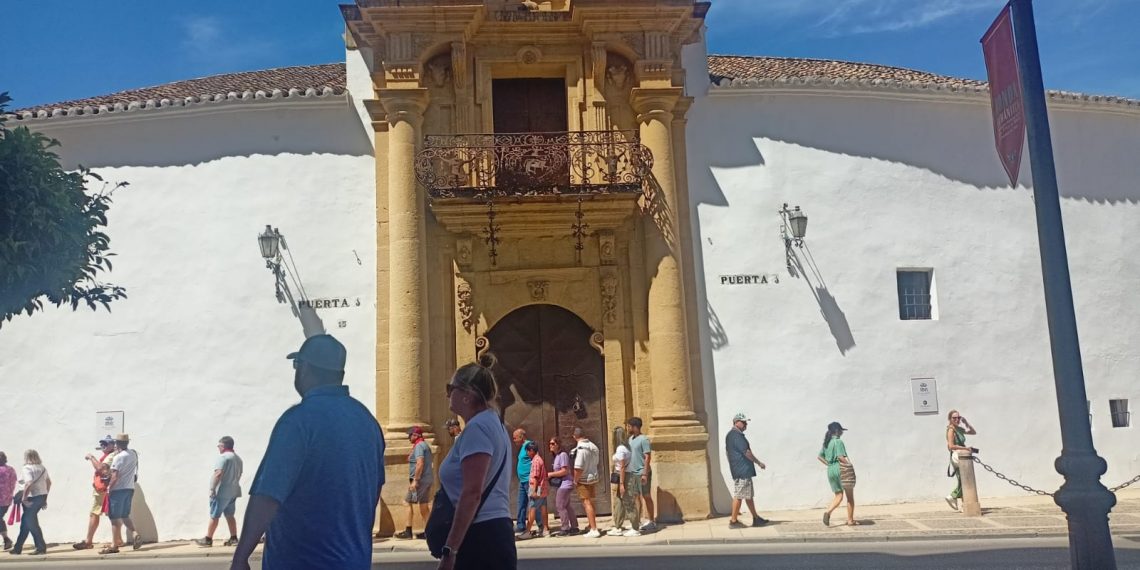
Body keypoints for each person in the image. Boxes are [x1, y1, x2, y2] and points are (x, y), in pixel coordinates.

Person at [229, 334, 385, 570]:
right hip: (354, 561)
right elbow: (373, 492)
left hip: (300, 561)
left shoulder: (298, 421)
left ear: (305, 370)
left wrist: (241, 558)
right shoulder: (367, 422)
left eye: (297, 365)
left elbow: (267, 496)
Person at [435, 354, 516, 569]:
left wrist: (450, 550)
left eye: (450, 388)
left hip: (480, 536)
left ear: (467, 395)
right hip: (494, 532)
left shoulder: (477, 428)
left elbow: (472, 492)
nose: (447, 394)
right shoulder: (493, 423)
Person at [194, 436, 244, 547]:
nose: (218, 447)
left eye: (219, 445)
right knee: (230, 515)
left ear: (224, 446)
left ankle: (208, 539)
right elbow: (240, 474)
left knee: (214, 515)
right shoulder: (238, 459)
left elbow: (218, 473)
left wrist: (212, 489)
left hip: (221, 492)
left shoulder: (223, 457)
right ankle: (234, 538)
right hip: (233, 491)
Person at [725, 413, 768, 528]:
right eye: (743, 422)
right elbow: (747, 452)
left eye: (746, 423)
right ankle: (733, 521)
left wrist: (733, 465)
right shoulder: (736, 436)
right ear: (736, 422)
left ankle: (756, 518)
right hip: (742, 470)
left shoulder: (731, 435)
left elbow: (728, 453)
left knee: (748, 495)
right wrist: (759, 463)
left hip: (740, 469)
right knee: (739, 495)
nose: (745, 425)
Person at [74, 436, 117, 550]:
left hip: (104, 490)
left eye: (106, 444)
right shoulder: (110, 455)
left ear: (112, 445)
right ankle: (118, 540)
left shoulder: (111, 456)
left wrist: (91, 457)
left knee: (95, 513)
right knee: (111, 515)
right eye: (102, 444)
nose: (103, 446)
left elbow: (100, 468)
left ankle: (88, 541)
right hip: (103, 489)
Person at [103, 434, 141, 554]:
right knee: (125, 515)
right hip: (129, 488)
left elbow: (115, 476)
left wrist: (109, 488)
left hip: (118, 490)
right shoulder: (133, 454)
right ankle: (135, 533)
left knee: (114, 518)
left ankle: (114, 545)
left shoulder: (118, 457)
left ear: (117, 443)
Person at [10, 449, 50, 556]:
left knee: (31, 524)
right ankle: (17, 548)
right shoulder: (42, 468)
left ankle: (41, 548)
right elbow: (49, 483)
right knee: (26, 522)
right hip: (41, 497)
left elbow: (29, 483)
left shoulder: (27, 468)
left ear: (26, 457)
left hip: (31, 498)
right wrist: (45, 499)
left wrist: (24, 498)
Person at [396, 426, 433, 540]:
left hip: (419, 480)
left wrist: (415, 480)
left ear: (416, 435)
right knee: (424, 506)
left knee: (406, 502)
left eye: (410, 435)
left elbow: (420, 463)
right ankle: (430, 532)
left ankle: (408, 532)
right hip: (426, 479)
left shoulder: (419, 446)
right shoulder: (425, 445)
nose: (409, 437)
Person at [817, 422, 855, 527]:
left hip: (830, 470)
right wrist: (849, 465)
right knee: (850, 497)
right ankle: (850, 520)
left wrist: (829, 464)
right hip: (840, 469)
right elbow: (840, 457)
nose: (842, 432)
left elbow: (819, 457)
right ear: (837, 431)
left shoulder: (826, 443)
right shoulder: (838, 442)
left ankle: (828, 512)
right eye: (841, 430)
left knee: (838, 495)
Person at [606, 427, 639, 537]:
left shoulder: (620, 448)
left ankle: (635, 528)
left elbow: (622, 467)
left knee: (628, 501)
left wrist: (621, 484)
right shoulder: (627, 447)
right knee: (619, 501)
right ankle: (618, 526)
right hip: (625, 475)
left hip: (624, 477)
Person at [625, 417, 655, 532]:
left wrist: (645, 474)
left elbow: (647, 457)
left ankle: (652, 521)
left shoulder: (644, 439)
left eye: (629, 426)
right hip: (633, 473)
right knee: (636, 497)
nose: (627, 428)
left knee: (646, 496)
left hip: (642, 472)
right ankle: (636, 522)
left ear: (635, 427)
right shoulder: (630, 439)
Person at [945, 410, 977, 512]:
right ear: (950, 419)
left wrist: (966, 423)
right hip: (957, 456)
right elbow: (951, 446)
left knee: (963, 479)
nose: (957, 419)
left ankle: (963, 504)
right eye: (954, 418)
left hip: (963, 455)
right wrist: (966, 448)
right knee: (964, 479)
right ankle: (952, 496)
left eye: (958, 417)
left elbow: (973, 432)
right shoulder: (951, 430)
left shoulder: (959, 429)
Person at [571, 427, 601, 538]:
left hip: (583, 479)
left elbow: (578, 468)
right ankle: (590, 524)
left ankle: (594, 529)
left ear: (574, 436)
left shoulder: (581, 449)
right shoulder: (593, 446)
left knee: (586, 502)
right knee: (591, 502)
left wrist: (575, 480)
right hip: (593, 476)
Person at [546, 438, 578, 536]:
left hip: (565, 484)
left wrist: (551, 474)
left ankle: (565, 528)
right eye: (550, 443)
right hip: (563, 484)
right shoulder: (556, 456)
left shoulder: (563, 455)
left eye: (553, 443)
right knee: (567, 506)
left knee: (560, 506)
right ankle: (574, 527)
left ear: (558, 444)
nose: (550, 445)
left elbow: (565, 471)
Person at [519, 442, 548, 538]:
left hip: (536, 488)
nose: (527, 453)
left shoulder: (535, 461)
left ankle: (527, 531)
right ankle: (545, 529)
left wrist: (534, 491)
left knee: (532, 509)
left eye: (527, 451)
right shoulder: (539, 459)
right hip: (542, 488)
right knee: (543, 508)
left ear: (531, 451)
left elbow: (535, 477)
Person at [510, 428, 533, 534]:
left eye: (515, 438)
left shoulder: (529, 445)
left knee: (534, 503)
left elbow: (535, 460)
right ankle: (520, 525)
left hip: (529, 480)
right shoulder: (522, 447)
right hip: (522, 481)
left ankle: (541, 525)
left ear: (522, 437)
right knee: (521, 503)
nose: (514, 440)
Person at [0, 452, 17, 551]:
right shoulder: (11, 469)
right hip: (7, 500)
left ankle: (7, 540)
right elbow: (13, 483)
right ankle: (6, 540)